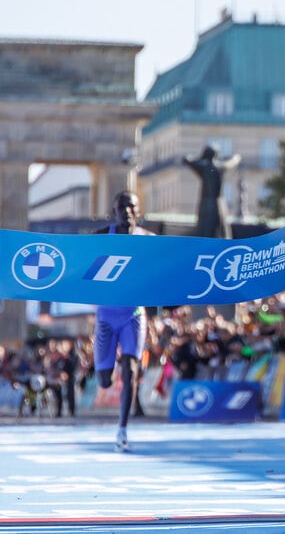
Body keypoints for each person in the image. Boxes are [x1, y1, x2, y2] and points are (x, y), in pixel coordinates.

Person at [94, 190, 156, 451]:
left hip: (133, 315)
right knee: (105, 381)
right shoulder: (99, 238)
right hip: (106, 318)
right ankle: (108, 372)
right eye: (122, 207)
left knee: (131, 370)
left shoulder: (150, 240)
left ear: (138, 211)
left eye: (132, 207)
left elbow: (170, 266)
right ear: (114, 211)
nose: (127, 212)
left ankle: (122, 429)